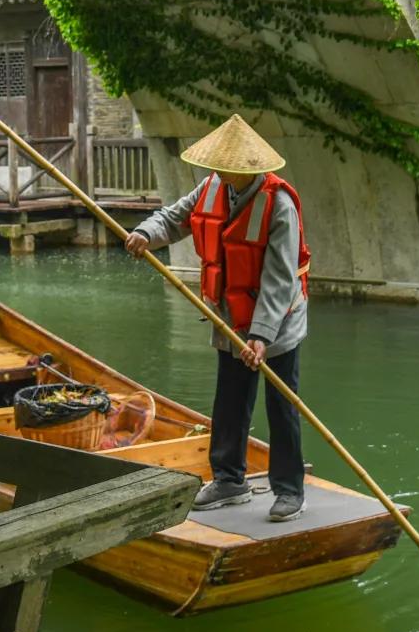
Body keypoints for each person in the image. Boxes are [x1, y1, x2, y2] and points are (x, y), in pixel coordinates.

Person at [126, 114, 310, 523]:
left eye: (223, 166)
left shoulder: (279, 206)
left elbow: (279, 280)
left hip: (277, 321)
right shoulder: (212, 187)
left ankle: (289, 490)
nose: (216, 170)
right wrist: (145, 233)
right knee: (229, 398)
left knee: (282, 405)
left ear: (245, 169)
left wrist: (261, 336)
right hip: (230, 316)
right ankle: (229, 479)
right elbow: (173, 219)